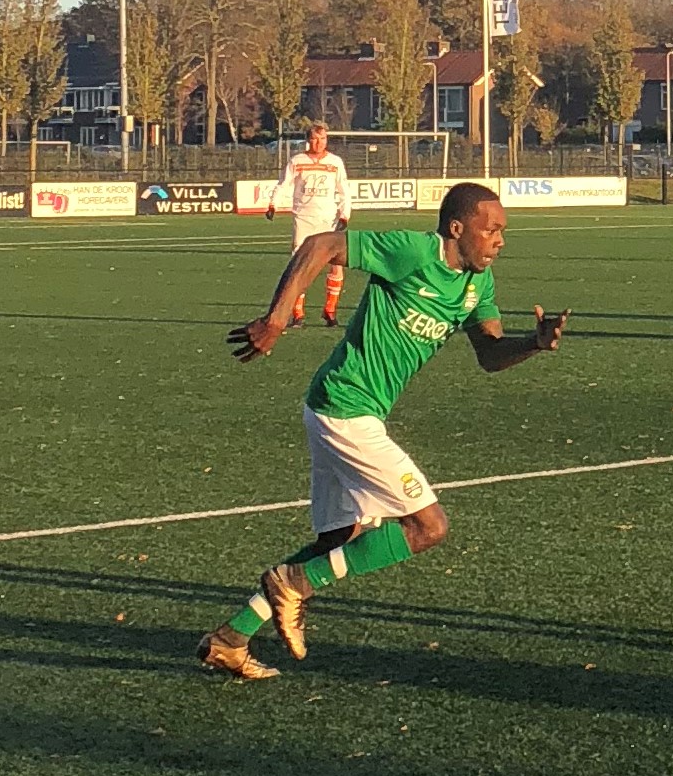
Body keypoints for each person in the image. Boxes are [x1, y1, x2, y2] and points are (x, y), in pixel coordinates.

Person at [201, 182, 570, 679]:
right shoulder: (413, 251)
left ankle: (230, 638)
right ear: (457, 229)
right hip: (345, 409)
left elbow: (490, 353)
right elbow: (321, 245)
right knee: (428, 526)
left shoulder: (478, 284)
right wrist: (278, 317)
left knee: (340, 540)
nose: (500, 240)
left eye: (503, 231)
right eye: (492, 230)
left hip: (340, 409)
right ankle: (294, 583)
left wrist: (534, 344)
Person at [269, 122, 352, 325]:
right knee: (300, 266)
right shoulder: (297, 161)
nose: (319, 142)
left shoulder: (335, 162)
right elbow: (284, 184)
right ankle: (297, 314)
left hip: (328, 219)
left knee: (336, 265)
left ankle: (330, 311)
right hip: (303, 219)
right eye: (315, 138)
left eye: (323, 138)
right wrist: (273, 204)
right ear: (308, 140)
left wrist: (345, 214)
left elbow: (344, 190)